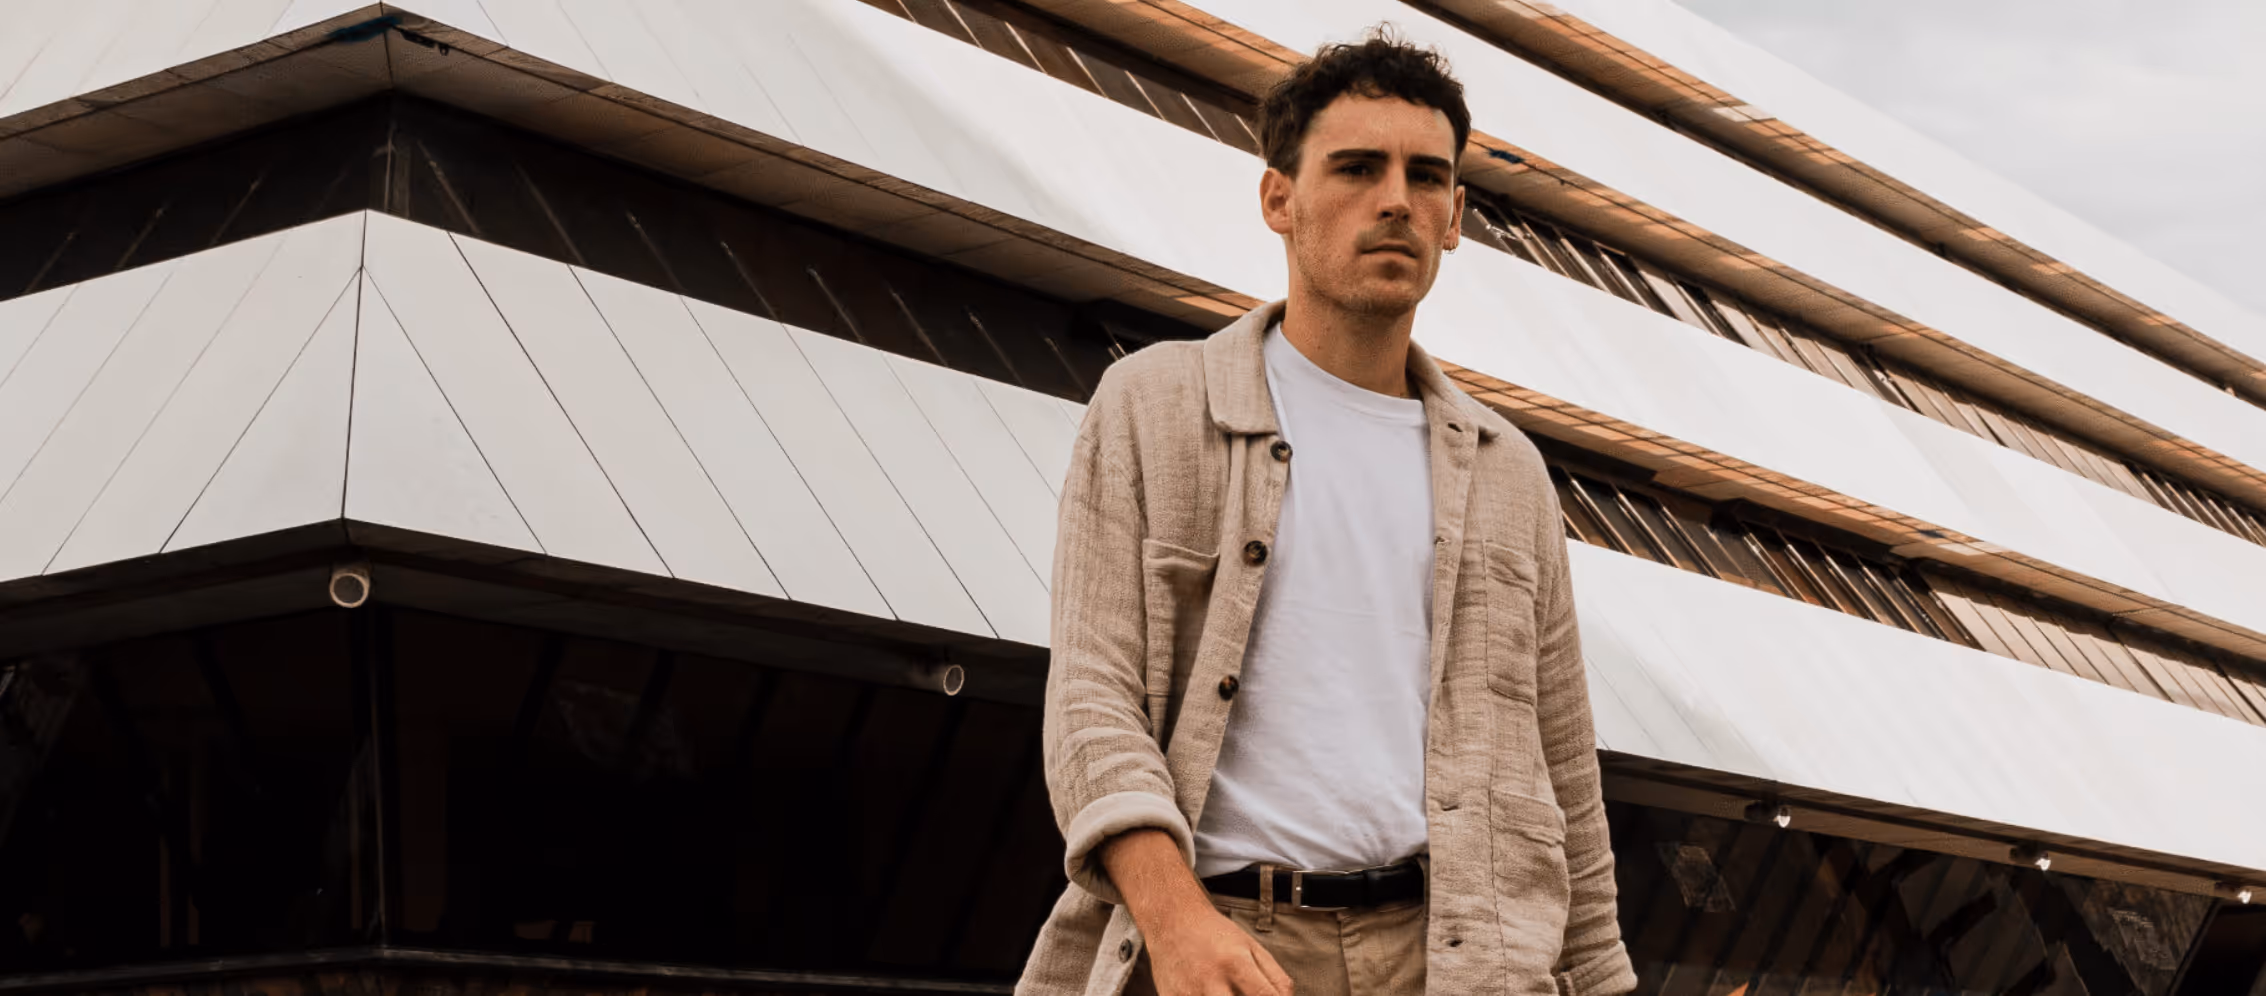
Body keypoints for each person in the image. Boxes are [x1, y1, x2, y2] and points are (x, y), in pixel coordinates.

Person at [1017, 28, 1635, 996]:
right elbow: (1091, 708)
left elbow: (1569, 788)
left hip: (1458, 958)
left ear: (1457, 216)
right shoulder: (1152, 408)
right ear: (1279, 197)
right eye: (1357, 167)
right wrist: (1176, 923)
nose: (1397, 200)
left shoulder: (1510, 474)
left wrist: (1602, 979)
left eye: (1427, 177)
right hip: (1225, 941)